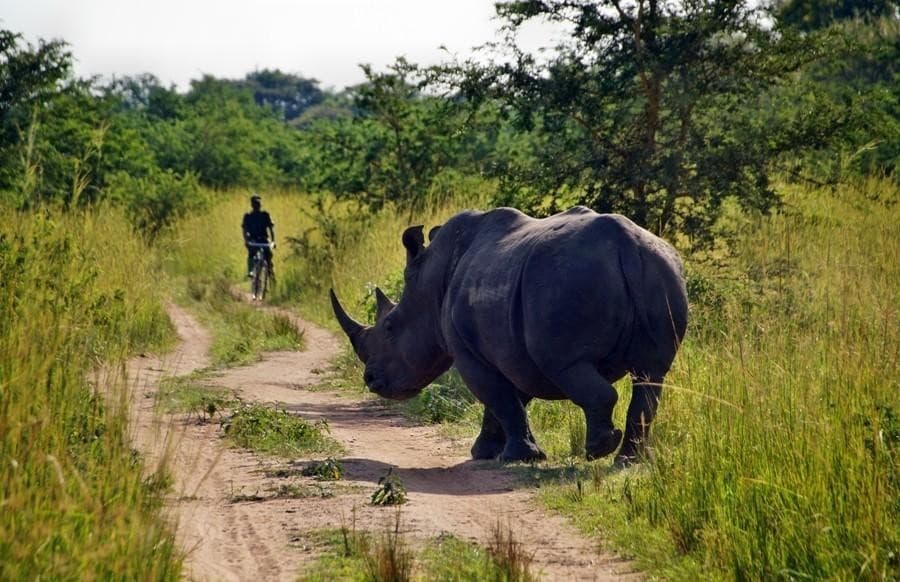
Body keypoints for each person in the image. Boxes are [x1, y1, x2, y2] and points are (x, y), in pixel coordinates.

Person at [242, 194, 275, 278]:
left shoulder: (265, 215)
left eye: (258, 204)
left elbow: (271, 228)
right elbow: (245, 230)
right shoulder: (248, 216)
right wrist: (246, 240)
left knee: (268, 256)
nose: (257, 206)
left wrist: (273, 241)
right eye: (255, 204)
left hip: (264, 239)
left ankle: (270, 272)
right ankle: (251, 271)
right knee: (252, 254)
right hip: (253, 240)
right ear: (252, 205)